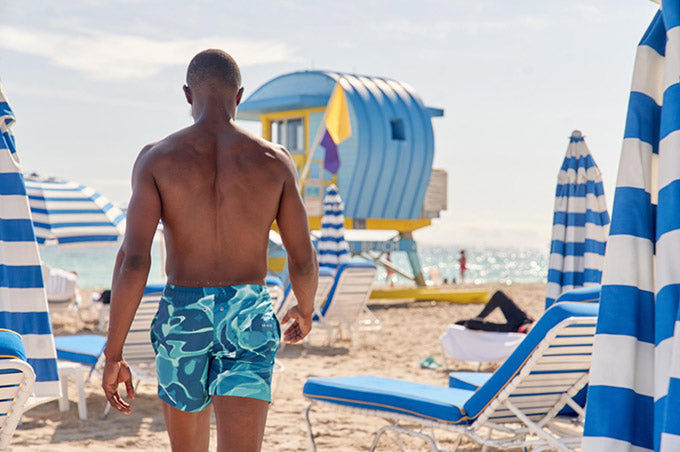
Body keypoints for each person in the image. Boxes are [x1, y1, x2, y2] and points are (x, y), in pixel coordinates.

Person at [102, 49, 318, 452]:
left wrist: (113, 352)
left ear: (188, 94)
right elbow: (302, 256)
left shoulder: (156, 159)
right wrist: (304, 309)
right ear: (239, 96)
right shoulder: (276, 161)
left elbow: (134, 261)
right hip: (249, 312)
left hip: (183, 315)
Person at [456, 290, 534, 333]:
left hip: (517, 329)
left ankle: (475, 321)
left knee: (471, 324)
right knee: (499, 295)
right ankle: (479, 318)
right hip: (524, 321)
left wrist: (527, 327)